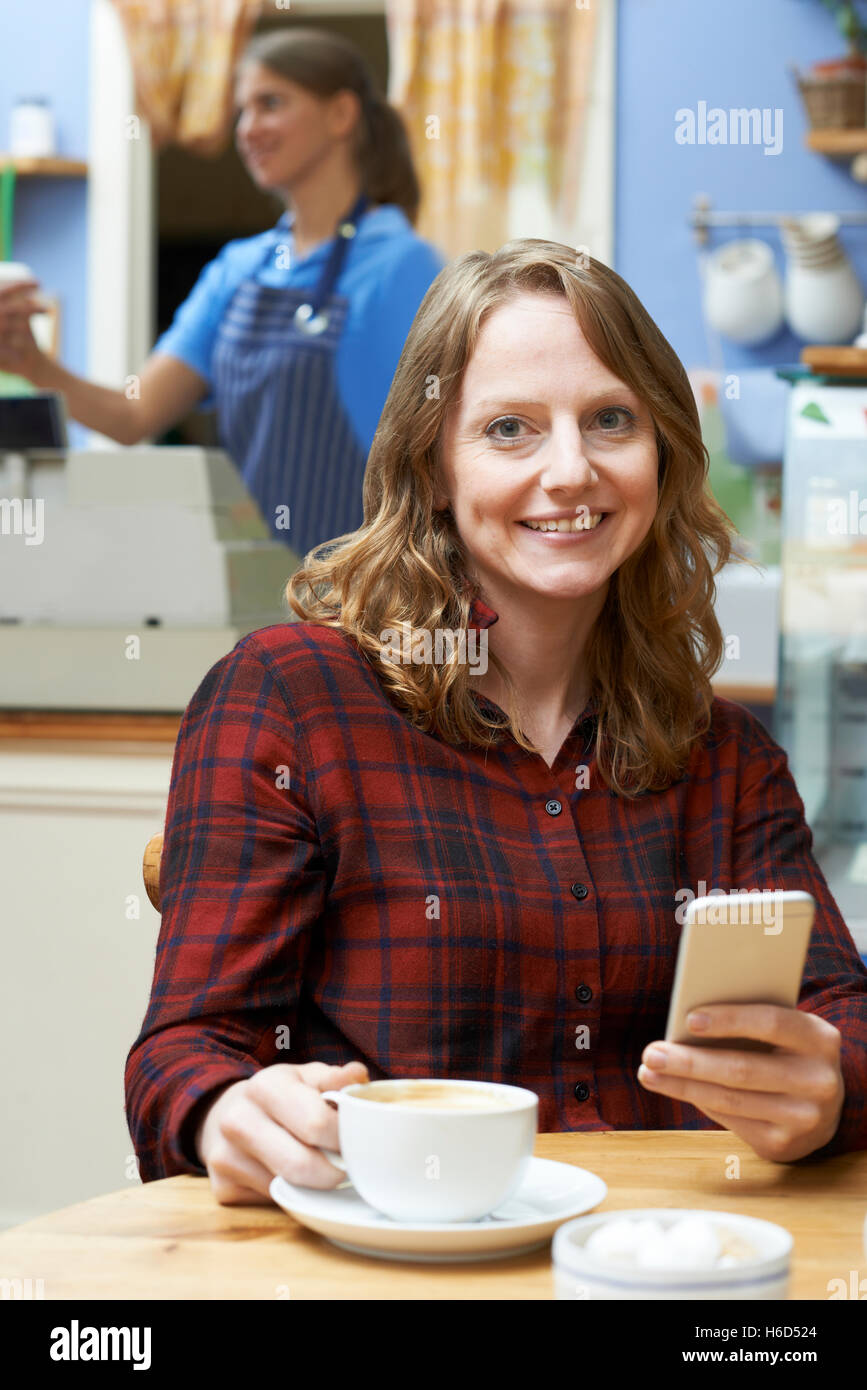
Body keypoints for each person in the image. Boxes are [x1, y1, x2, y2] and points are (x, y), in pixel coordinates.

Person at [125, 239, 867, 1203]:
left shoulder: (724, 754)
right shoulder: (291, 698)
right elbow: (185, 1054)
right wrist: (228, 1110)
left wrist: (832, 1086)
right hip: (393, 1259)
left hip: (658, 1261)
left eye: (609, 420)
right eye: (510, 429)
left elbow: (843, 1015)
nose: (570, 472)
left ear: (662, 453)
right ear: (432, 468)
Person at [0, 29, 444, 556]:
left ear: (341, 115)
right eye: (242, 111)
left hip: (371, 580)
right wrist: (31, 363)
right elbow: (132, 416)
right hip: (255, 582)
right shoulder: (239, 269)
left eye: (270, 104)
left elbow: (431, 460)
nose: (247, 129)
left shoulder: (403, 266)